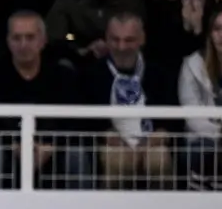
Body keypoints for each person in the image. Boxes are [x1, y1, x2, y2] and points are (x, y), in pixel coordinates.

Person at [66, 10, 175, 186]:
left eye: (129, 40)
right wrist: (106, 135)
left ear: (142, 39)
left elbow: (173, 117)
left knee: (158, 160)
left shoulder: (160, 73)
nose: (121, 47)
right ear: (106, 40)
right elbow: (82, 120)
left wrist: (157, 136)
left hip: (152, 142)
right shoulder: (89, 75)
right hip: (111, 143)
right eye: (115, 40)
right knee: (119, 160)